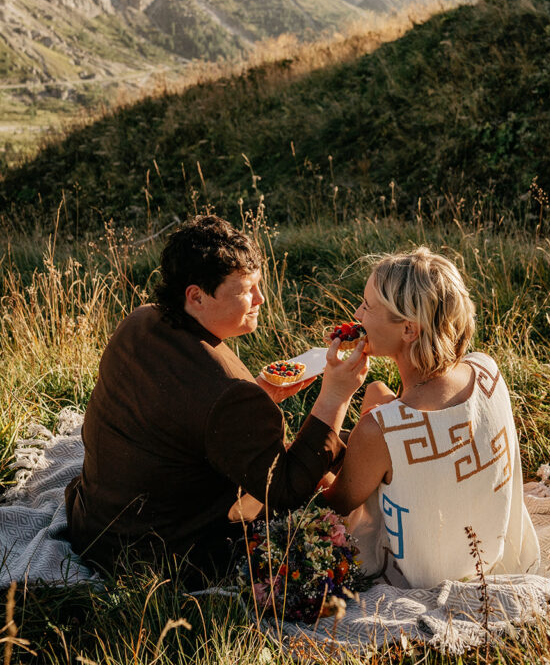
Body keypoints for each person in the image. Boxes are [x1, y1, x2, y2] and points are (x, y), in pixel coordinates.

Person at [65, 215, 368, 579]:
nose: (261, 298)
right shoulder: (229, 393)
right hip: (159, 556)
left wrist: (257, 398)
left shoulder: (140, 321)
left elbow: (181, 410)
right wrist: (334, 396)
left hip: (93, 525)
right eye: (245, 290)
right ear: (195, 296)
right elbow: (285, 490)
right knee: (337, 458)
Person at [324, 247, 540, 588]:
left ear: (409, 330)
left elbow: (335, 505)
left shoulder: (377, 429)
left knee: (329, 476)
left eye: (367, 306)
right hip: (496, 550)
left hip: (424, 579)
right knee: (379, 391)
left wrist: (336, 395)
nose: (357, 313)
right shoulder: (486, 369)